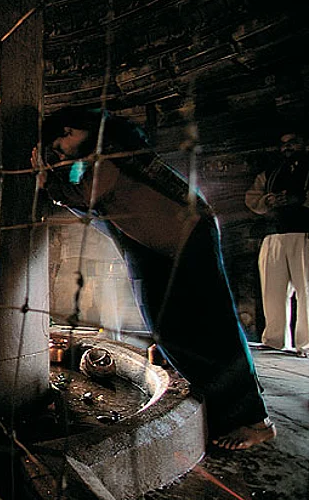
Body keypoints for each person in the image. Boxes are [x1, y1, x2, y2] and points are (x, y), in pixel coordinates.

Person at [32, 106, 275, 450]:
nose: (61, 152)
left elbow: (86, 195)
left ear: (74, 129)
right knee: (179, 328)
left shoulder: (110, 150)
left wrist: (46, 181)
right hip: (159, 242)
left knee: (209, 327)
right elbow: (86, 199)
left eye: (61, 143)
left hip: (182, 237)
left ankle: (256, 422)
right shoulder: (97, 155)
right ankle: (230, 404)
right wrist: (54, 177)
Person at [244, 131, 309, 357]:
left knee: (306, 290)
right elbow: (252, 198)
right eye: (284, 144)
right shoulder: (272, 173)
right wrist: (268, 201)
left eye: (293, 142)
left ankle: (306, 344)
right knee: (272, 291)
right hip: (273, 236)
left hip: (303, 234)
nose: (287, 147)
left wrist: (298, 199)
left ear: (304, 144)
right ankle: (274, 339)